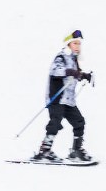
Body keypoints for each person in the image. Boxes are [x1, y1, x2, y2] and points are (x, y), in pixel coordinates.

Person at [32, 30, 95, 162]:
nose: (77, 46)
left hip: (68, 100)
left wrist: (84, 75)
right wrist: (71, 71)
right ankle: (45, 151)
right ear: (69, 44)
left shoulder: (73, 59)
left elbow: (74, 75)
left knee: (79, 122)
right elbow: (55, 71)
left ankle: (76, 151)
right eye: (75, 43)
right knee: (55, 122)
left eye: (79, 44)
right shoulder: (61, 57)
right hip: (57, 98)